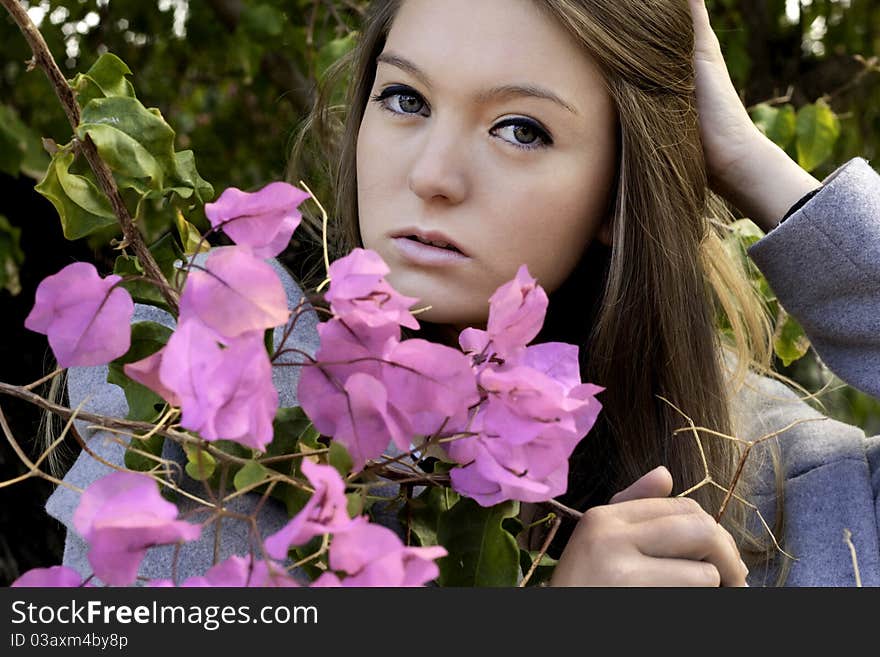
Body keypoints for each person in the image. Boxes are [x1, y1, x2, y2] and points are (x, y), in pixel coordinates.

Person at [46, 0, 880, 586]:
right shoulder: (199, 374)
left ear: (620, 190)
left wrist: (746, 161)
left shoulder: (778, 484)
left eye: (521, 128)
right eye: (404, 99)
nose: (432, 175)